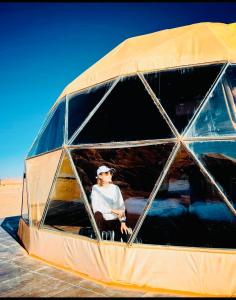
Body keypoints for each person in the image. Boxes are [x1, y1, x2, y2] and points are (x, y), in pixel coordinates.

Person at [90, 165, 131, 242]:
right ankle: (99, 242)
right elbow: (96, 208)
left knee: (125, 230)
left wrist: (122, 222)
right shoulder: (95, 188)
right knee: (97, 214)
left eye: (110, 173)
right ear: (100, 176)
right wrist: (112, 210)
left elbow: (121, 206)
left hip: (115, 220)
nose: (110, 175)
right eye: (107, 173)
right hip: (103, 221)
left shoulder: (115, 188)